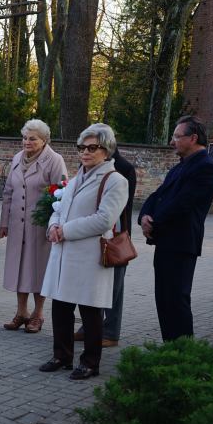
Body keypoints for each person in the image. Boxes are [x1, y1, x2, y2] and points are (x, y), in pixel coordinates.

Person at [40, 123, 129, 380]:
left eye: (92, 148)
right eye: (82, 147)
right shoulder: (77, 176)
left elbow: (104, 219)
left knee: (90, 311)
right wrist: (53, 226)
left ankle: (90, 362)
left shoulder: (115, 180)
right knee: (61, 306)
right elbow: (59, 208)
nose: (85, 152)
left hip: (90, 254)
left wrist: (65, 230)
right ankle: (62, 355)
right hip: (64, 253)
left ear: (106, 150)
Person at [138, 115, 213, 342]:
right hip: (166, 241)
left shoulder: (205, 167)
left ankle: (182, 350)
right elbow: (158, 195)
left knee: (176, 300)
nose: (172, 141)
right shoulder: (180, 166)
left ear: (193, 138)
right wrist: (144, 216)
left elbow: (182, 204)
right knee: (164, 300)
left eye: (176, 136)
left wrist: (153, 222)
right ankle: (170, 347)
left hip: (182, 243)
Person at [0, 119, 68, 333]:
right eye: (25, 138)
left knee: (38, 270)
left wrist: (55, 225)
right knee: (19, 269)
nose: (27, 142)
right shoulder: (18, 158)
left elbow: (61, 193)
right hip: (17, 226)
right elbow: (8, 192)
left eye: (32, 139)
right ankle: (21, 313)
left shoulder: (54, 160)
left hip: (40, 227)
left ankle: (38, 315)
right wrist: (4, 223)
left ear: (44, 140)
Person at [76, 148, 136, 347]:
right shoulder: (87, 165)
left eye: (93, 145)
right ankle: (88, 327)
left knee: (114, 288)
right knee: (91, 285)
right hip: (90, 233)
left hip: (114, 236)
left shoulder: (124, 168)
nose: (87, 150)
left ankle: (111, 331)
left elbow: (124, 206)